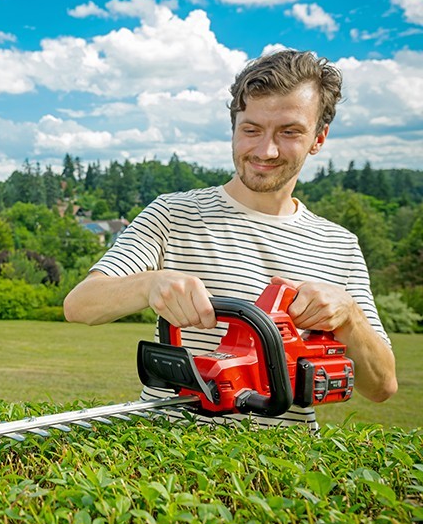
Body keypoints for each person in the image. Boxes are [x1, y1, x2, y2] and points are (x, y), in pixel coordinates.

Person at [63, 49, 397, 429]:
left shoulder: (340, 245)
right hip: (171, 465)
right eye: (251, 129)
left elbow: (382, 386)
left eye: (289, 132)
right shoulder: (174, 214)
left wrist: (350, 317)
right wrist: (149, 284)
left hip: (284, 473)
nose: (265, 150)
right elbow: (80, 305)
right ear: (234, 126)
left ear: (318, 137)